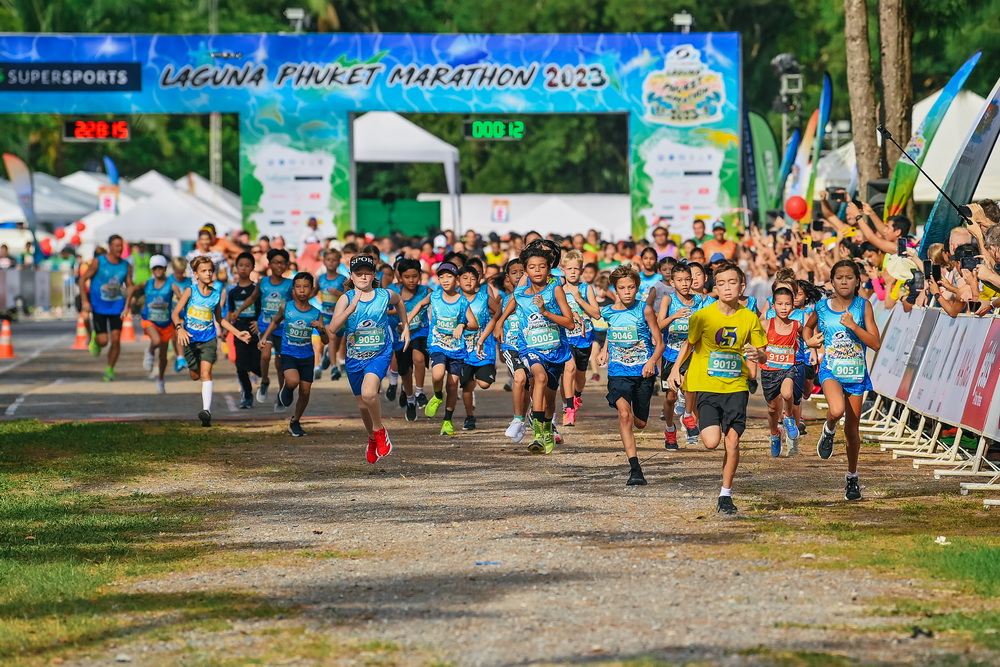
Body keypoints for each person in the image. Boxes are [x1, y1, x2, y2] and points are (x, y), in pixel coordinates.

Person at [667, 262, 767, 515]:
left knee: (732, 441)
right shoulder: (702, 316)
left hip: (736, 385)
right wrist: (675, 370)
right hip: (707, 385)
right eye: (721, 283)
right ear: (716, 288)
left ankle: (726, 494)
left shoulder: (749, 317)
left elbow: (762, 352)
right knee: (711, 442)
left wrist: (758, 355)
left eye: (732, 282)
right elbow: (689, 345)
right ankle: (694, 416)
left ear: (742, 286)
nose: (727, 287)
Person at [803, 260, 881, 501]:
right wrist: (810, 341)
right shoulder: (822, 307)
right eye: (839, 277)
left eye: (849, 277)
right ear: (832, 281)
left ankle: (852, 476)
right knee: (836, 410)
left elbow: (876, 343)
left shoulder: (863, 306)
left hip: (856, 373)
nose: (844, 281)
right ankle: (828, 429)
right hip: (831, 370)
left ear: (857, 281)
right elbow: (807, 328)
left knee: (852, 430)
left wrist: (853, 326)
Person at [327, 255, 409, 463]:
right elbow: (333, 329)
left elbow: (399, 301)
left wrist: (406, 326)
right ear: (351, 276)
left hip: (379, 354)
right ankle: (372, 438)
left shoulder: (383, 295)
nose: (363, 277)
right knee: (363, 406)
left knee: (369, 393)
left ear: (374, 275)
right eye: (358, 273)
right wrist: (350, 308)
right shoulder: (345, 299)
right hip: (355, 358)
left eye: (367, 273)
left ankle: (380, 431)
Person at [495, 243, 575, 453]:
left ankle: (547, 425)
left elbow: (569, 323)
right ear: (525, 270)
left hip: (556, 350)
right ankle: (537, 433)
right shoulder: (520, 293)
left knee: (550, 399)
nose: (537, 271)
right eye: (532, 267)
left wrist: (545, 312)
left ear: (549, 269)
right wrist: (500, 322)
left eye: (542, 266)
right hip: (530, 348)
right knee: (539, 377)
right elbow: (512, 303)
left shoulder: (555, 290)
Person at [597, 265, 665, 485]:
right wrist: (604, 350)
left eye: (631, 287)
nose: (627, 292)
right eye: (622, 288)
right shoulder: (608, 312)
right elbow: (612, 332)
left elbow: (660, 343)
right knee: (624, 415)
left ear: (637, 288)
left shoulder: (645, 310)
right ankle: (635, 469)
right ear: (615, 289)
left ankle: (640, 416)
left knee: (641, 423)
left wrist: (651, 362)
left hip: (643, 371)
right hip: (618, 371)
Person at [172, 256, 250, 427]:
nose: (207, 274)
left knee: (206, 373)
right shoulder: (190, 292)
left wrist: (237, 333)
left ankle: (206, 412)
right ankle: (193, 369)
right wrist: (180, 328)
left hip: (208, 339)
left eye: (210, 271)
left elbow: (220, 319)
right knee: (195, 375)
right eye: (203, 271)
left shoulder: (215, 295)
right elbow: (175, 313)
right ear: (195, 274)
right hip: (190, 340)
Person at [259, 272, 328, 435]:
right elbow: (275, 322)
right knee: (292, 381)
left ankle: (295, 421)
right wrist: (265, 337)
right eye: (298, 287)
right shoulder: (286, 307)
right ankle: (287, 388)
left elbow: (326, 340)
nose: (302, 290)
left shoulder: (316, 313)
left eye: (306, 287)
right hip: (288, 352)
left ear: (312, 290)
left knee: (305, 391)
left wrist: (320, 328)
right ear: (293, 290)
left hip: (307, 355)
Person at [416, 261, 478, 437]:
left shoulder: (462, 301)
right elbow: (420, 305)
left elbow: (474, 324)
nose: (445, 280)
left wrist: (462, 325)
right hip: (437, 344)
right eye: (441, 276)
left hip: (456, 349)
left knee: (452, 385)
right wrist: (406, 324)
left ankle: (447, 421)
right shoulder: (434, 296)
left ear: (456, 279)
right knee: (437, 374)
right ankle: (437, 395)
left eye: (449, 276)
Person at [235, 249, 292, 403]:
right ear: (269, 264)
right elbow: (253, 297)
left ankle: (281, 393)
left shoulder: (290, 284)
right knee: (265, 355)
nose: (279, 266)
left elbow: (298, 302)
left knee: (280, 363)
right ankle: (265, 381)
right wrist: (239, 310)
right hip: (265, 326)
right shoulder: (263, 282)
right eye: (275, 262)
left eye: (282, 263)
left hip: (283, 329)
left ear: (287, 265)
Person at [657, 262, 702, 450]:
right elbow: (658, 325)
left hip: (692, 353)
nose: (684, 284)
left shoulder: (699, 301)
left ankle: (689, 415)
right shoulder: (668, 300)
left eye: (687, 279)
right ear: (672, 282)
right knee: (670, 397)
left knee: (689, 383)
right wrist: (674, 316)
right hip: (670, 354)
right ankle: (669, 429)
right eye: (680, 280)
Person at [79, 234, 133, 382]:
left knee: (116, 340)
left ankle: (110, 369)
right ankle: (94, 337)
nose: (119, 248)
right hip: (99, 306)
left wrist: (127, 305)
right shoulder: (99, 262)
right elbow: (83, 279)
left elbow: (130, 286)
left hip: (117, 306)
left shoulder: (126, 265)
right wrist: (85, 301)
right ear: (110, 247)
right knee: (103, 341)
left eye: (121, 246)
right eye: (116, 245)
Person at [759, 286, 804, 457]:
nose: (784, 308)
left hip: (788, 368)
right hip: (769, 371)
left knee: (787, 393)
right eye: (780, 304)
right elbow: (756, 342)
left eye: (787, 304)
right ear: (773, 306)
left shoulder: (796, 325)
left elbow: (808, 336)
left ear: (793, 306)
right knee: (772, 409)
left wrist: (813, 345)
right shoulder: (765, 325)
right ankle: (774, 434)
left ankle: (789, 417)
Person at [559, 250, 600, 426]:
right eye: (569, 269)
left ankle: (576, 396)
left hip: (584, 338)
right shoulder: (559, 290)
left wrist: (579, 299)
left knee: (580, 377)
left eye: (576, 269)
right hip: (565, 338)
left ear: (582, 270)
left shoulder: (586, 288)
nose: (573, 272)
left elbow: (596, 314)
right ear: (563, 270)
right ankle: (568, 408)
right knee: (569, 369)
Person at [459, 263, 500, 431]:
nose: (469, 281)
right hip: (462, 349)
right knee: (467, 386)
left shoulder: (484, 297)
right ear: (458, 280)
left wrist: (496, 324)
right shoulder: (455, 299)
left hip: (484, 347)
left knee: (484, 383)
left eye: (473, 278)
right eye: (465, 278)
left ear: (478, 280)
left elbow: (500, 311)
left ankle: (481, 372)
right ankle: (469, 417)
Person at [389, 258, 430, 421]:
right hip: (400, 335)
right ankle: (410, 399)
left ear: (420, 275)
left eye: (414, 276)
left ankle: (419, 392)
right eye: (407, 277)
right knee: (405, 370)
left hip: (420, 332)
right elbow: (382, 309)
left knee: (418, 358)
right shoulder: (392, 292)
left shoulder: (426, 291)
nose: (411, 280)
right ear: (400, 277)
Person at [125, 254, 173, 393]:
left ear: (165, 268)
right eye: (155, 268)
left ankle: (160, 379)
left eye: (160, 268)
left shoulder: (171, 284)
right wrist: (126, 306)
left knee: (163, 355)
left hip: (166, 321)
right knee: (156, 341)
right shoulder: (147, 283)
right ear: (152, 270)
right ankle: (150, 351)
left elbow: (182, 297)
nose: (158, 270)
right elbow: (132, 289)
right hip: (149, 319)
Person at [227, 251, 262, 408]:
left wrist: (259, 323)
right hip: (239, 333)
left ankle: (264, 380)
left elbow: (263, 310)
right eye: (240, 265)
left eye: (247, 265)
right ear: (236, 267)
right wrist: (226, 330)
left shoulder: (256, 290)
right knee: (241, 367)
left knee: (256, 366)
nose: (243, 268)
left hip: (255, 333)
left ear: (252, 268)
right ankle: (247, 396)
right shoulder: (232, 292)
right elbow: (230, 312)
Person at [314, 249, 346, 380]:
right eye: (328, 259)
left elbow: (348, 296)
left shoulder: (343, 279)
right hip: (325, 315)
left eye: (334, 260)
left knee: (337, 342)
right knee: (332, 337)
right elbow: (313, 292)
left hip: (339, 316)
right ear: (324, 261)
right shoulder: (320, 278)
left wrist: (338, 293)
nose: (331, 262)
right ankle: (334, 368)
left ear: (338, 262)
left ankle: (328, 355)